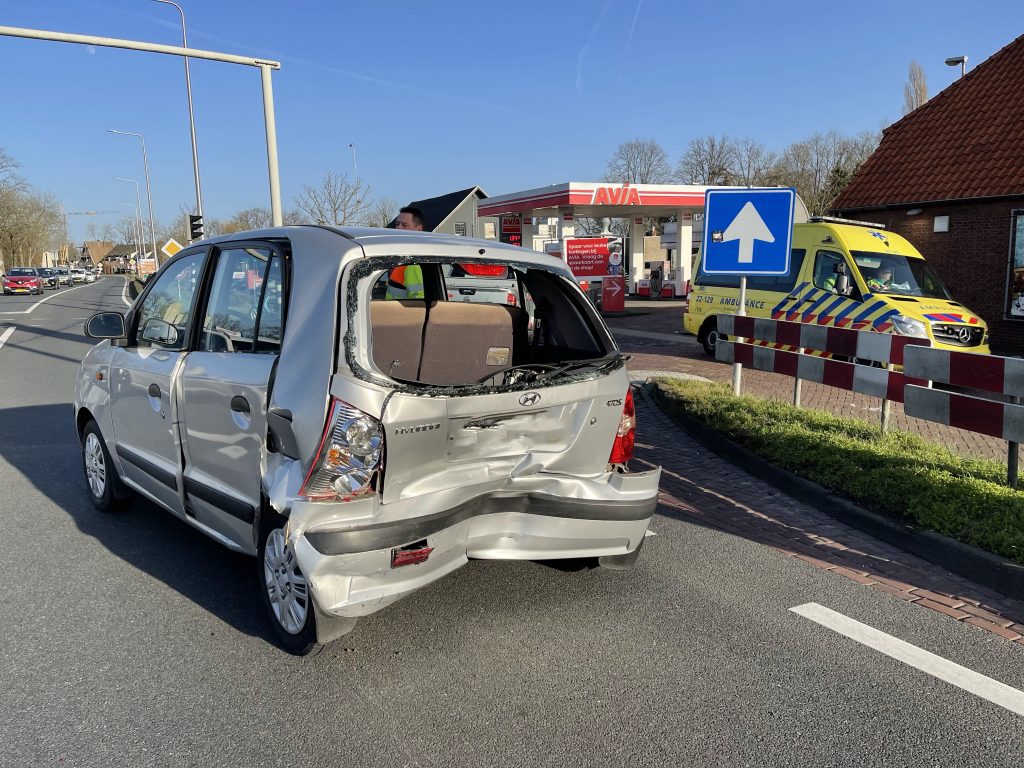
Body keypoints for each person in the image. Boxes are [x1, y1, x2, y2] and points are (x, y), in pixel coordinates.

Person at [386, 206, 426, 299]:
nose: (398, 228)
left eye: (404, 225)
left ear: (419, 229)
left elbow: (419, 300)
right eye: (397, 224)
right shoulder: (403, 257)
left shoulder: (414, 261)